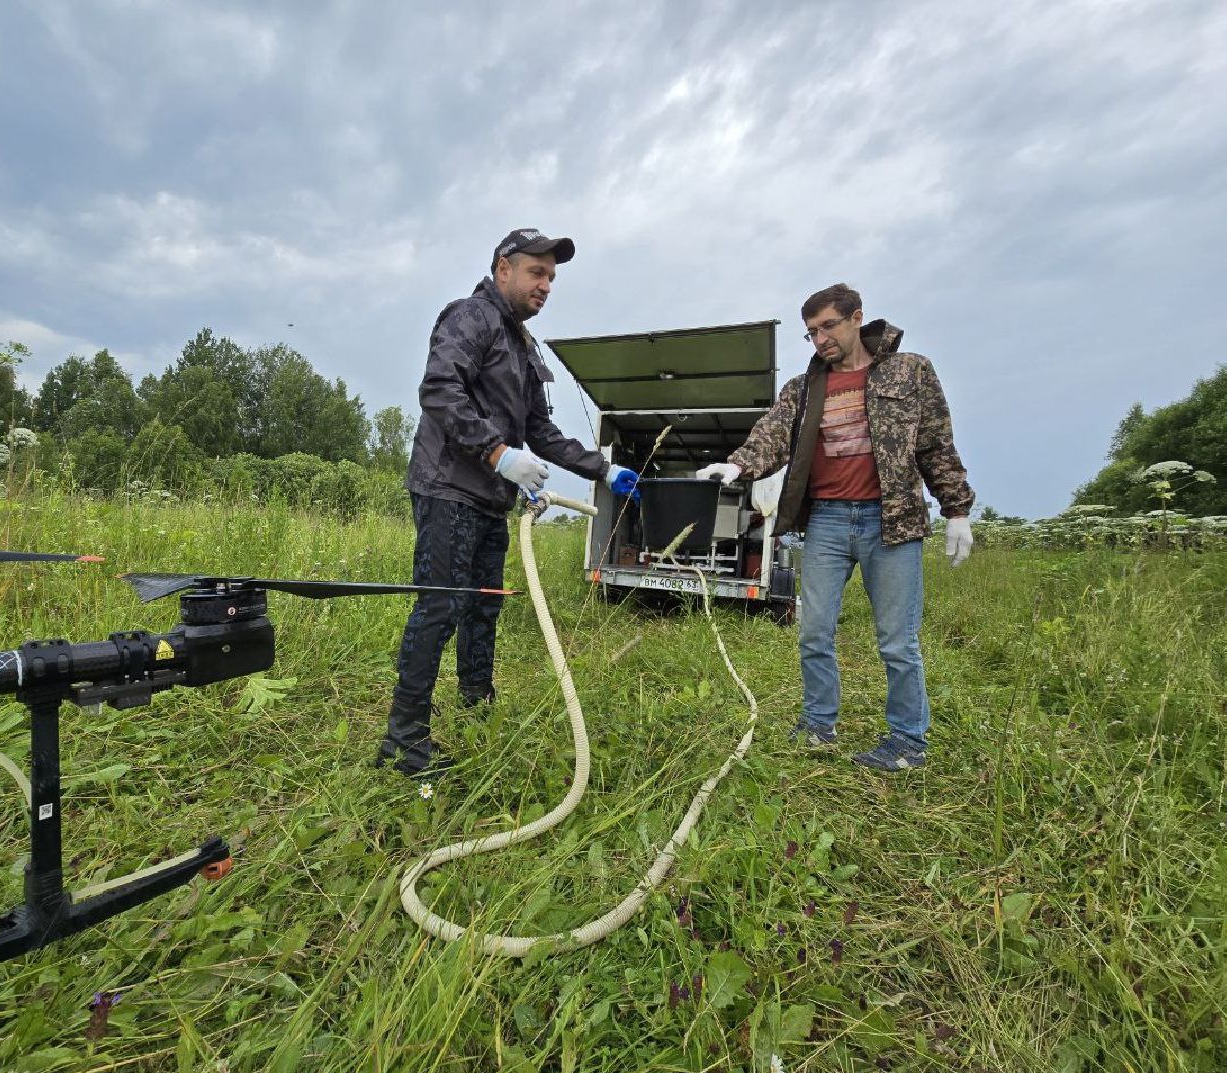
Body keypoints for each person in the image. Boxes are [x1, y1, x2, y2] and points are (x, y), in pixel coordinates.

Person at [376, 229, 641, 777]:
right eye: (536, 273)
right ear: (504, 269)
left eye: (551, 278)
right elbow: (439, 390)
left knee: (483, 607)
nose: (545, 286)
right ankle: (402, 741)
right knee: (440, 607)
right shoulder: (469, 318)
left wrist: (603, 468)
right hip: (448, 488)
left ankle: (477, 711)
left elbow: (541, 431)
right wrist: (498, 453)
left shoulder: (522, 344)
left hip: (491, 501)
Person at [697, 284, 973, 771]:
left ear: (856, 318)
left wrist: (957, 511)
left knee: (897, 641)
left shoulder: (910, 371)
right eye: (811, 332)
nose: (820, 338)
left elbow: (935, 444)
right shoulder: (803, 390)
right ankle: (818, 725)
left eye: (827, 326)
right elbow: (772, 434)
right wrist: (738, 467)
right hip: (824, 520)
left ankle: (908, 742)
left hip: (891, 522)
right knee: (814, 631)